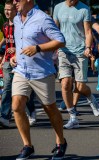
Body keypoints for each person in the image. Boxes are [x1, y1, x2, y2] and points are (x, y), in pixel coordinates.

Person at [10, 0, 67, 159]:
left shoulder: (42, 18)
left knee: (50, 109)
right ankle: (27, 146)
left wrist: (38, 48)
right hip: (21, 70)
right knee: (16, 106)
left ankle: (61, 142)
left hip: (41, 72)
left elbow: (61, 40)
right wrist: (16, 55)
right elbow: (22, 41)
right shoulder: (16, 18)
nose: (14, 2)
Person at [53, 0, 99, 129]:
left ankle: (90, 97)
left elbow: (88, 32)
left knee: (80, 87)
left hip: (80, 51)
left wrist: (88, 47)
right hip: (64, 51)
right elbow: (54, 29)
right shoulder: (58, 8)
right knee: (65, 83)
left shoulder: (84, 9)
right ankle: (73, 116)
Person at [0, 0, 36, 128]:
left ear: (15, 11)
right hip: (8, 61)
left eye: (9, 9)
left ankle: (31, 111)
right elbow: (6, 38)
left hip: (21, 60)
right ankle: (4, 117)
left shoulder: (20, 25)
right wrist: (4, 57)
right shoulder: (5, 25)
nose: (7, 12)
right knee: (7, 89)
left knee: (24, 91)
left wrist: (16, 50)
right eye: (5, 9)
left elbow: (26, 41)